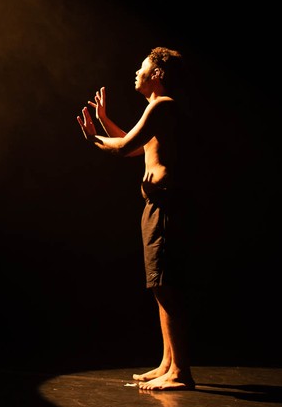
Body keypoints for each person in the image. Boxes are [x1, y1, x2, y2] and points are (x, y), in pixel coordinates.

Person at [76, 46, 196, 391]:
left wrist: (93, 137)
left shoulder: (163, 105)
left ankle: (181, 372)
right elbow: (134, 147)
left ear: (157, 74)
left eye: (142, 68)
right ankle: (168, 362)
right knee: (159, 286)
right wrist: (104, 122)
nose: (137, 73)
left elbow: (120, 146)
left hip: (167, 205)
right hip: (159, 206)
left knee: (167, 287)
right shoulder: (159, 109)